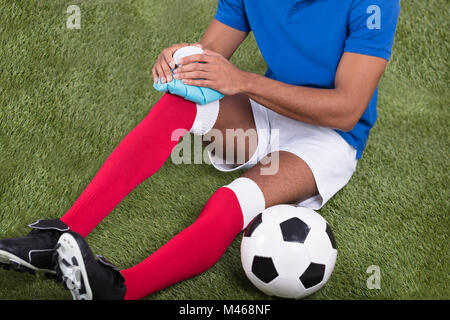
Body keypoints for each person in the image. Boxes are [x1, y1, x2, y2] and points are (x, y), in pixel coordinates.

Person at [0, 0, 400, 300]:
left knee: (233, 201)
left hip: (328, 138)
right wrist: (181, 62)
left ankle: (121, 289)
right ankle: (59, 236)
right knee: (181, 102)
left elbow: (347, 110)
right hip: (268, 111)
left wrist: (242, 81)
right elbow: (209, 59)